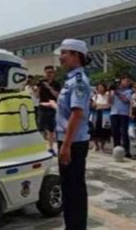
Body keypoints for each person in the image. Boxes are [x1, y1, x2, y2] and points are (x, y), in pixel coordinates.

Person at [55, 39, 91, 230]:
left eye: (64, 53)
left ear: (76, 55)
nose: (61, 57)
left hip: (73, 143)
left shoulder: (79, 82)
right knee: (69, 189)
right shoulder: (70, 80)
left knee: (74, 190)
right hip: (68, 140)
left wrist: (66, 145)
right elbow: (70, 111)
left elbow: (77, 114)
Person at [37, 65, 61, 155]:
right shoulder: (41, 83)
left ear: (54, 73)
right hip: (42, 107)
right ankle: (41, 147)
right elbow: (37, 96)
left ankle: (51, 148)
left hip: (52, 107)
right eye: (47, 73)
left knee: (51, 129)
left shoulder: (56, 84)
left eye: (51, 72)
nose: (49, 74)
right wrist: (38, 87)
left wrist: (49, 87)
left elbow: (57, 96)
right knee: (41, 128)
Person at [109, 76, 133, 157]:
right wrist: (110, 92)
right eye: (126, 81)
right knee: (115, 132)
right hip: (114, 113)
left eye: (128, 81)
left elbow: (126, 101)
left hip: (124, 114)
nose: (127, 83)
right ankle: (116, 150)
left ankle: (126, 151)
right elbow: (110, 102)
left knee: (124, 132)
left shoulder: (129, 91)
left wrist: (117, 93)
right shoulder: (113, 91)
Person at [91, 83, 111, 152]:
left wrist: (100, 106)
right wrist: (100, 106)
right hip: (96, 114)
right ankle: (96, 146)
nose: (100, 89)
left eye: (101, 87)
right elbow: (94, 105)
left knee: (104, 131)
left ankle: (102, 146)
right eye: (99, 87)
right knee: (94, 130)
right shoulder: (96, 96)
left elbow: (108, 105)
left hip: (105, 115)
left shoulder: (107, 95)